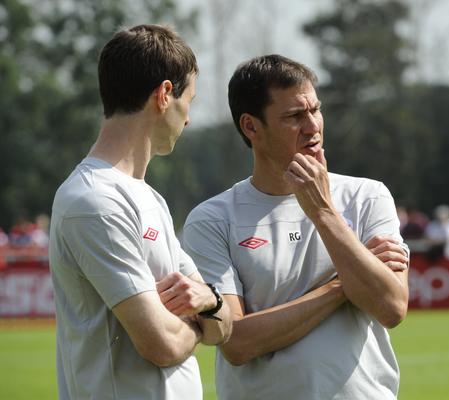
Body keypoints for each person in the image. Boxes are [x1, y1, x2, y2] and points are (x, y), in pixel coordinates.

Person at [182, 54, 410, 400]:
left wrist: (324, 212)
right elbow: (237, 342)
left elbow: (391, 307)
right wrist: (344, 284)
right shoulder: (212, 219)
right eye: (294, 116)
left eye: (315, 110)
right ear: (251, 127)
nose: (312, 126)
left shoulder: (367, 196)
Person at [49, 24, 232, 400]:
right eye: (189, 100)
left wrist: (210, 302)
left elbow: (225, 323)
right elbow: (161, 344)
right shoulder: (93, 202)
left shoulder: (150, 199)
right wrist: (202, 319)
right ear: (164, 95)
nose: (188, 118)